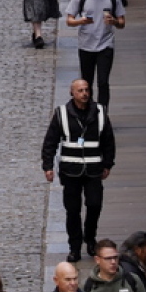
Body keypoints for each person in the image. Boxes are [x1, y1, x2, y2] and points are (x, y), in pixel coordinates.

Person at [41, 78, 116, 262]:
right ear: (72, 93)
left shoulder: (99, 113)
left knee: (94, 205)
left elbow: (108, 140)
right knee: (72, 211)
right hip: (70, 171)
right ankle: (74, 247)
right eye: (80, 90)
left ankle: (90, 238)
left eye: (86, 90)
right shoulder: (62, 114)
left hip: (93, 169)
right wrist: (48, 166)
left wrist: (107, 164)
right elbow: (50, 141)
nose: (84, 94)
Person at [67, 0, 126, 109]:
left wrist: (115, 22)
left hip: (106, 44)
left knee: (103, 81)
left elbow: (122, 22)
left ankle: (103, 112)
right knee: (87, 82)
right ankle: (89, 111)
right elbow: (69, 20)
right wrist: (81, 21)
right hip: (86, 45)